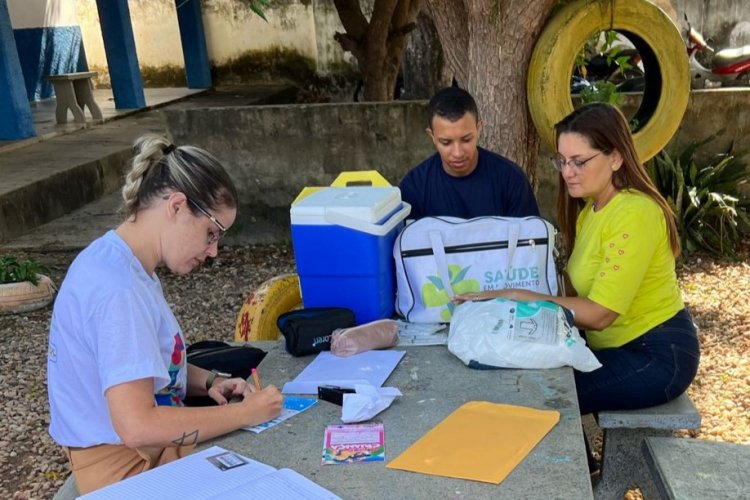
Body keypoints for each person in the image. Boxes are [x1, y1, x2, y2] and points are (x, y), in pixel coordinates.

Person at [47, 134, 284, 494]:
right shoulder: (118, 291)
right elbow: (137, 425)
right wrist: (244, 414)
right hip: (128, 469)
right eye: (211, 233)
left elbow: (145, 363)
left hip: (141, 454)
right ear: (176, 206)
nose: (213, 251)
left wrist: (210, 381)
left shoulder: (122, 263)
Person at [454, 103, 700, 416]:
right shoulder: (591, 210)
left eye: (579, 161)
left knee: (543, 395)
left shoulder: (635, 213)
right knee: (523, 375)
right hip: (612, 347)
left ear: (615, 157)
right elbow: (574, 299)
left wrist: (513, 295)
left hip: (656, 356)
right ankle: (584, 463)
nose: (568, 172)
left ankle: (574, 465)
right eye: (563, 161)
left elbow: (599, 315)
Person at [399, 86, 540, 219]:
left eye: (466, 140)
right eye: (446, 143)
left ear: (479, 129)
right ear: (432, 136)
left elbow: (531, 240)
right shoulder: (414, 189)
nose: (458, 152)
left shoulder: (511, 180)